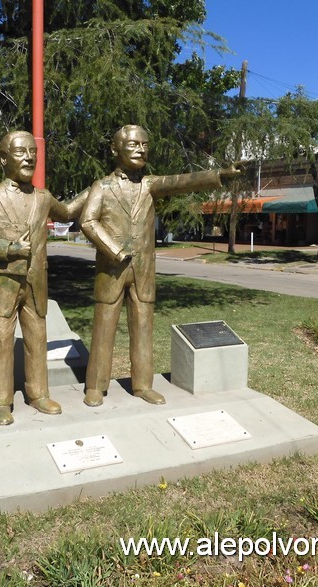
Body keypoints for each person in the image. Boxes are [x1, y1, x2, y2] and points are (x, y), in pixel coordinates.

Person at [79, 124, 244, 407]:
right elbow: (87, 221)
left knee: (144, 329)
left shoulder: (149, 184)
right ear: (115, 150)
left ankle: (143, 385)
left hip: (143, 272)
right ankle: (95, 386)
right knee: (104, 329)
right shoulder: (102, 187)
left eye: (145, 145)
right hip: (112, 271)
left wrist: (219, 175)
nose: (141, 149)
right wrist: (115, 250)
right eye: (134, 145)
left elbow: (182, 181)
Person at [0, 130, 86, 425]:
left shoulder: (42, 196)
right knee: (1, 342)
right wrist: (7, 248)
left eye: (33, 152)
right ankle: (0, 401)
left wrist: (94, 189)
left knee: (37, 339)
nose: (29, 157)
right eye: (20, 152)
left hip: (36, 281)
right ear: (3, 159)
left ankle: (38, 393)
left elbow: (66, 212)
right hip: (2, 282)